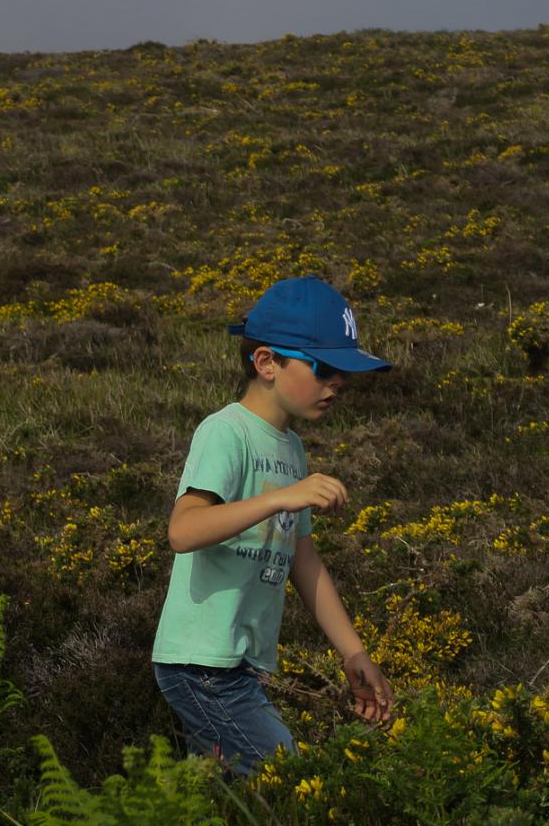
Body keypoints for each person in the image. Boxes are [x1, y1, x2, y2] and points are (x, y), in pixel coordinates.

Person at [152, 276, 394, 776]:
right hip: (202, 666)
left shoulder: (292, 449)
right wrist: (280, 497)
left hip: (236, 667)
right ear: (266, 363)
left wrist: (353, 652)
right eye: (324, 368)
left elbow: (304, 561)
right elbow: (184, 530)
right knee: (288, 780)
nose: (338, 383)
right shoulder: (226, 433)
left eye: (342, 373)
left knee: (221, 802)